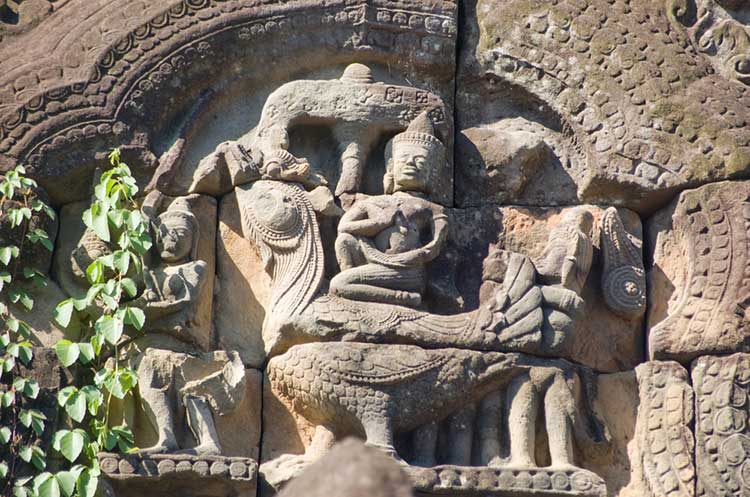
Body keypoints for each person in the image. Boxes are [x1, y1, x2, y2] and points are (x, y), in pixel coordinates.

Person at [330, 112, 448, 308]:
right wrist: (381, 222)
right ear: (391, 168)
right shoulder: (372, 201)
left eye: (420, 160)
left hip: (407, 270)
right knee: (344, 241)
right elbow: (344, 227)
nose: (411, 163)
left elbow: (436, 243)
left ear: (432, 171)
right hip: (373, 260)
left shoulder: (431, 208)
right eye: (404, 159)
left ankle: (401, 298)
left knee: (338, 284)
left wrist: (417, 256)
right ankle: (359, 292)